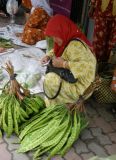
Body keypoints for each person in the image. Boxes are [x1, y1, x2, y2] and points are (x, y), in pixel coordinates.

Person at [41, 14, 97, 107]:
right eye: (53, 37)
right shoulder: (67, 38)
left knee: (50, 80)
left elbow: (88, 66)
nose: (54, 40)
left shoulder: (76, 46)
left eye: (56, 36)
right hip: (74, 78)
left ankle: (56, 107)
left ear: (63, 31)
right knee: (50, 74)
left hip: (82, 86)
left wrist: (64, 64)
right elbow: (59, 50)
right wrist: (48, 56)